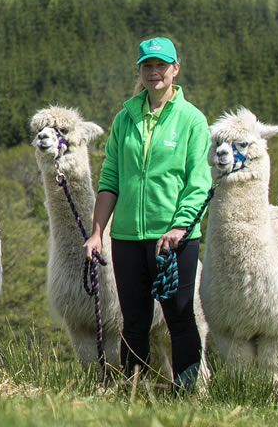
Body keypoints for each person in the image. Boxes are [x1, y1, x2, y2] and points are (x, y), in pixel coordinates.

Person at [82, 36, 211, 388]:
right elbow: (111, 178)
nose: (154, 73)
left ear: (175, 69)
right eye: (147, 66)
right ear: (139, 70)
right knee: (134, 322)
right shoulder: (124, 119)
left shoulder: (192, 121)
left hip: (174, 240)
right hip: (126, 238)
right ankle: (133, 392)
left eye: (161, 66)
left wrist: (181, 225)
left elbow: (198, 182)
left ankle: (187, 394)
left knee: (180, 318)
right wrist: (97, 233)